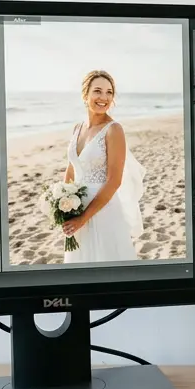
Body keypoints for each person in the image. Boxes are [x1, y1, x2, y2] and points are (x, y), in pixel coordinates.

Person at [63, 70, 146, 263]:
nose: (104, 97)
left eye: (109, 92)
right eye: (98, 91)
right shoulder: (77, 128)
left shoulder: (114, 130)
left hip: (104, 211)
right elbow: (71, 169)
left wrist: (83, 219)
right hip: (76, 208)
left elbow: (114, 181)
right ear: (86, 94)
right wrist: (63, 208)